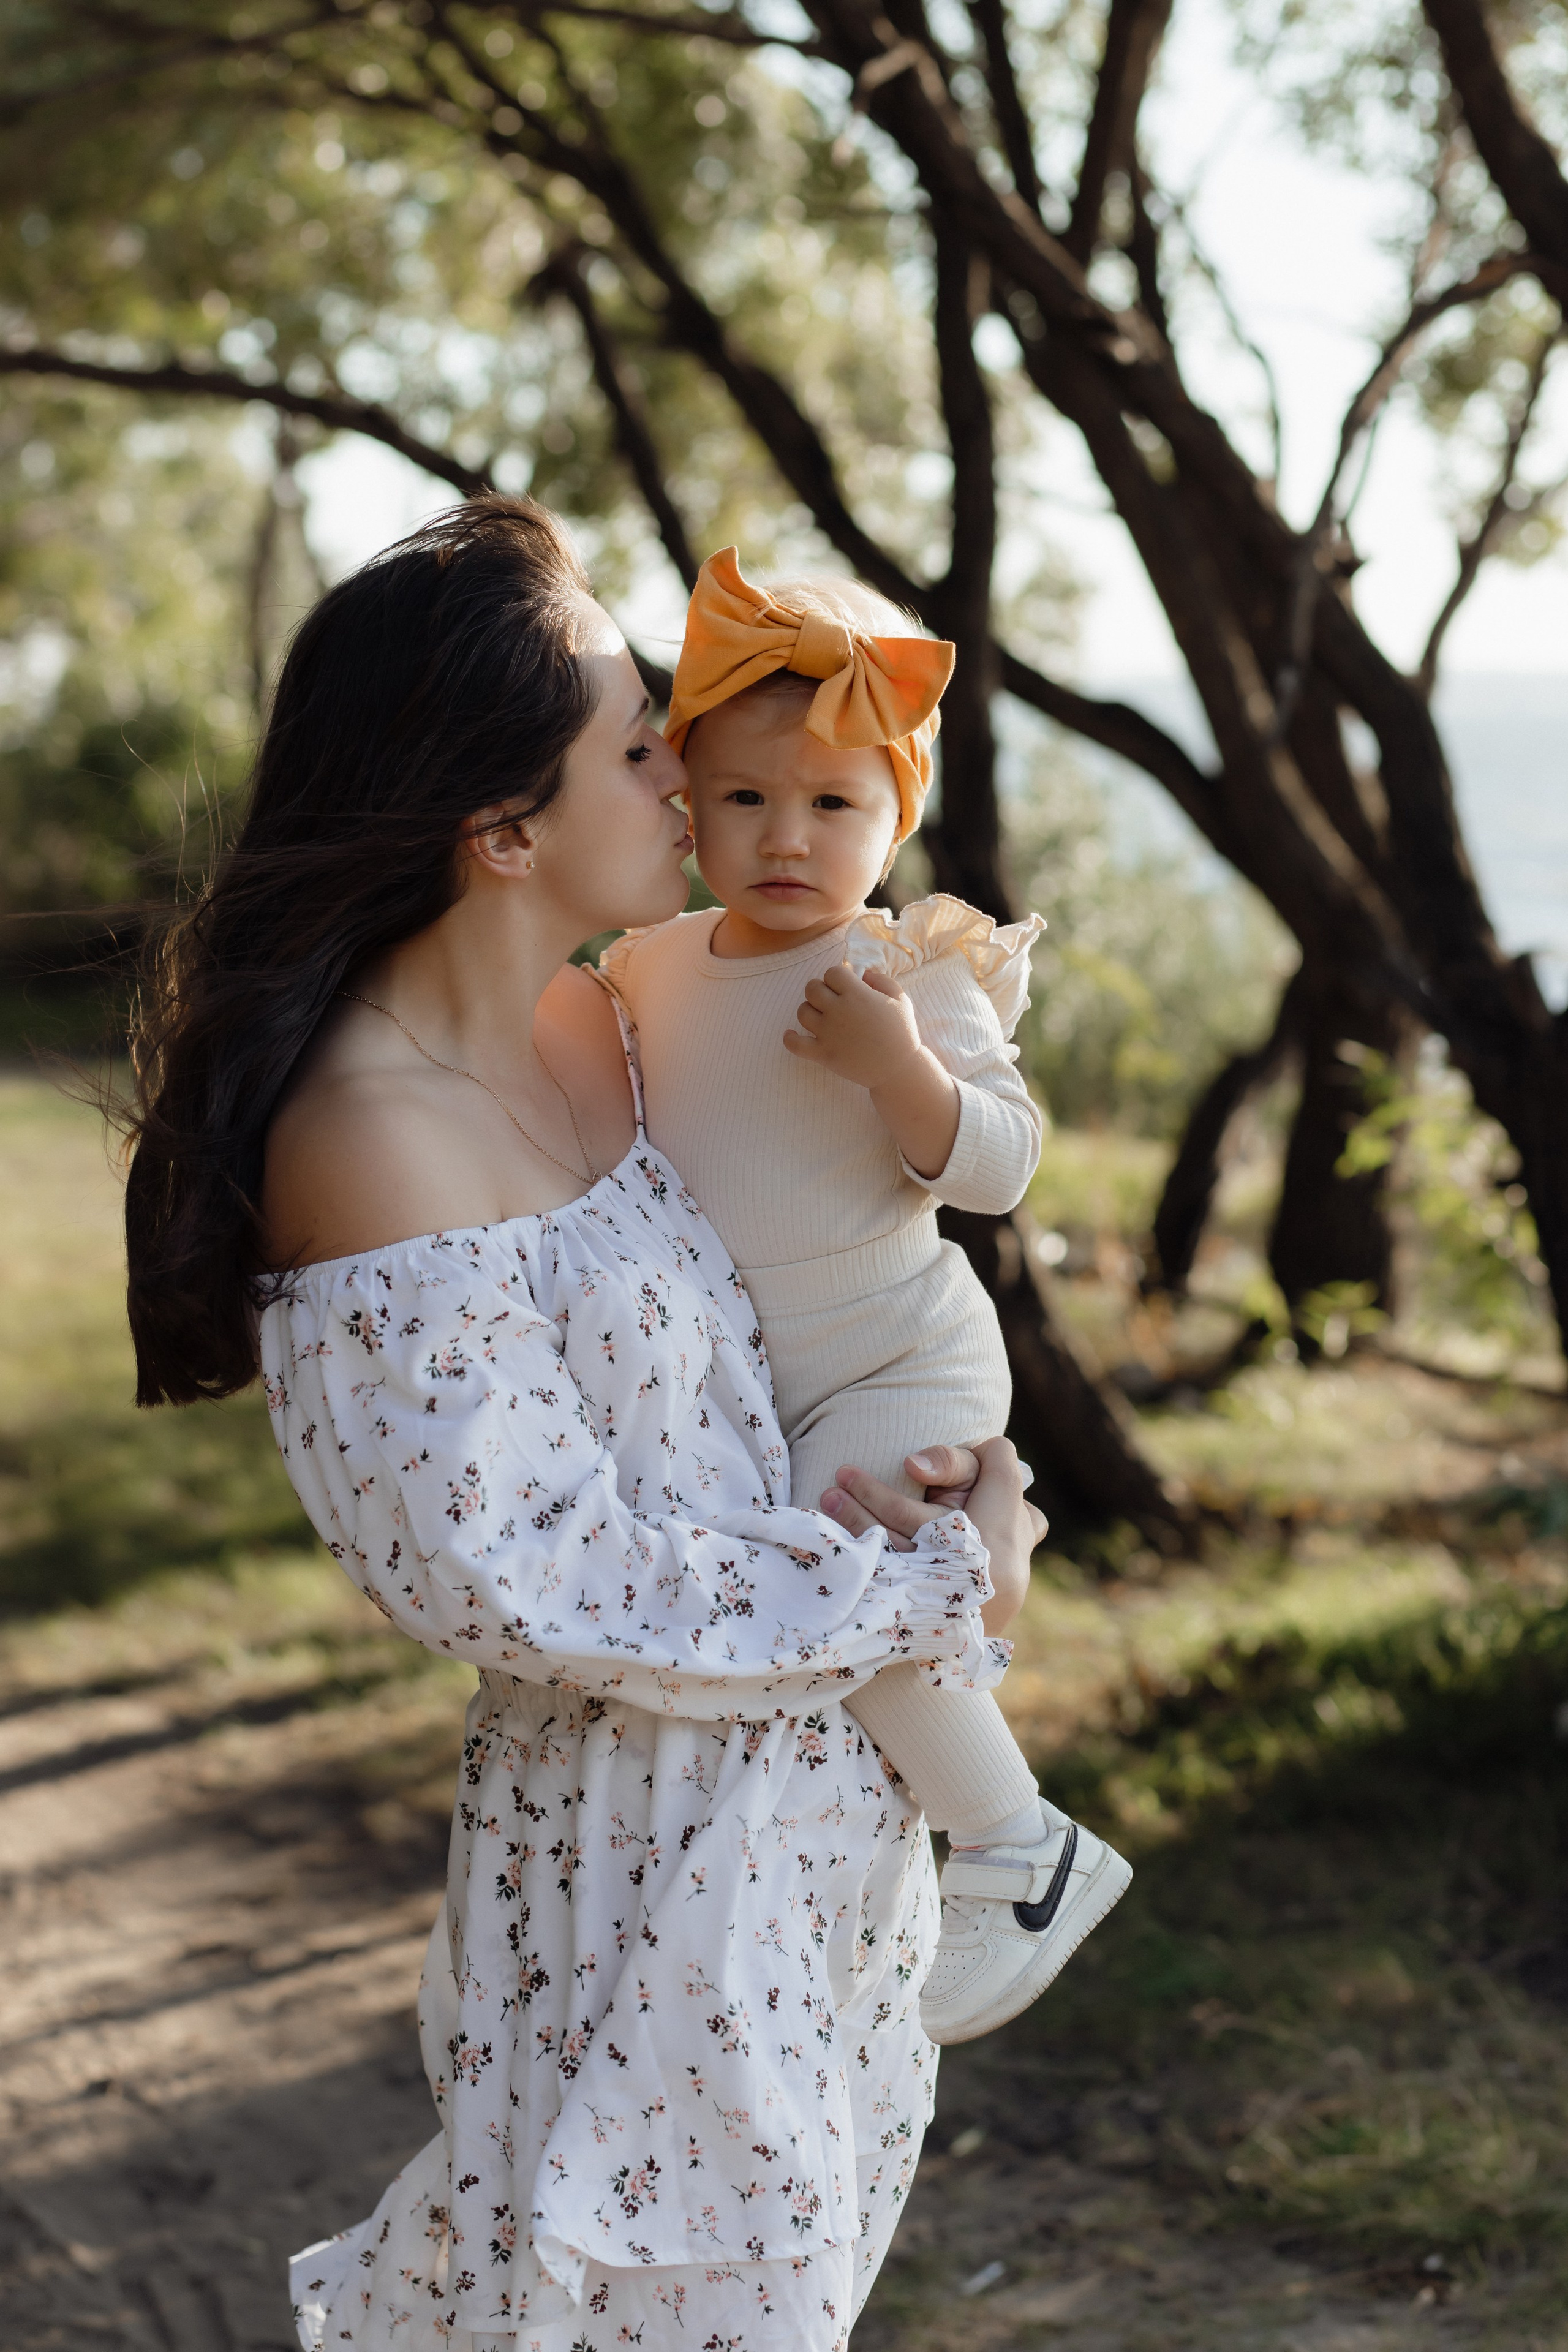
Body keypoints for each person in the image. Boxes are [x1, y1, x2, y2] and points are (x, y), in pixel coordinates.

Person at [121, 497, 1042, 2352]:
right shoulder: (370, 1136)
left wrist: (968, 1473)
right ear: (505, 828)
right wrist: (927, 1580)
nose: (690, 774)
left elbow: (795, 1318)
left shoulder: (604, 1024)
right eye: (643, 744)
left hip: (816, 1853)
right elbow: (539, 1580)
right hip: (640, 1886)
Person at [598, 551, 1131, 2048]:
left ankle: (1017, 1844)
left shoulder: (901, 967)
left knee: (861, 1567)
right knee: (801, 1604)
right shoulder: (645, 967)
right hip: (748, 1378)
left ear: (893, 816)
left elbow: (1004, 1168)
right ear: (684, 802)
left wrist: (896, 1065)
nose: (786, 837)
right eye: (747, 799)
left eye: (833, 803)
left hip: (898, 1347)